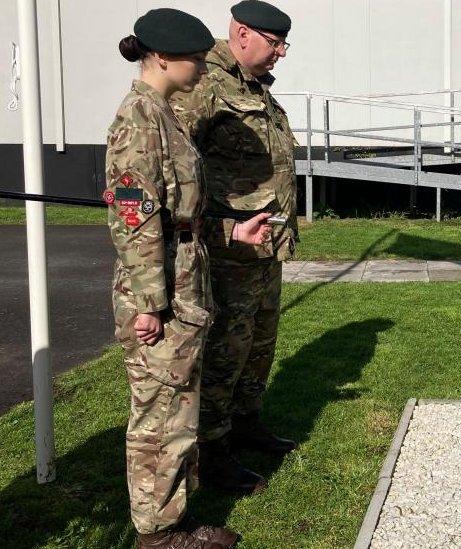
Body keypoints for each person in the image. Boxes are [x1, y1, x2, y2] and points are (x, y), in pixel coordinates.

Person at [106, 8, 271, 548]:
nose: (203, 67)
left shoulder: (164, 113)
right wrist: (151, 304)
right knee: (159, 416)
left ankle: (171, 516)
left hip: (182, 281)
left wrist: (230, 233)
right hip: (159, 294)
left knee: (178, 409)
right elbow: (135, 220)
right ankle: (157, 534)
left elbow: (182, 215)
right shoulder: (138, 120)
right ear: (160, 57)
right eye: (195, 59)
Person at [172, 0, 298, 494]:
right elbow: (176, 165)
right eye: (275, 42)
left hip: (265, 249)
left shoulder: (255, 89)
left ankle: (247, 422)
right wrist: (217, 227)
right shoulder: (206, 82)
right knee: (225, 347)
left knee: (258, 342)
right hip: (227, 251)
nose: (282, 53)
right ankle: (214, 449)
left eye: (285, 43)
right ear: (242, 33)